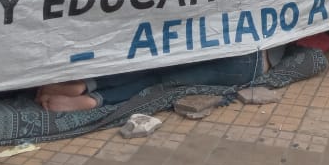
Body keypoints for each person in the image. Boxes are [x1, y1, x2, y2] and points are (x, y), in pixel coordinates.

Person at [35, 46, 286, 112]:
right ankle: (90, 94)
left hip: (247, 58)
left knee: (155, 64)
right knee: (160, 71)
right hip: (249, 62)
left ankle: (89, 90)